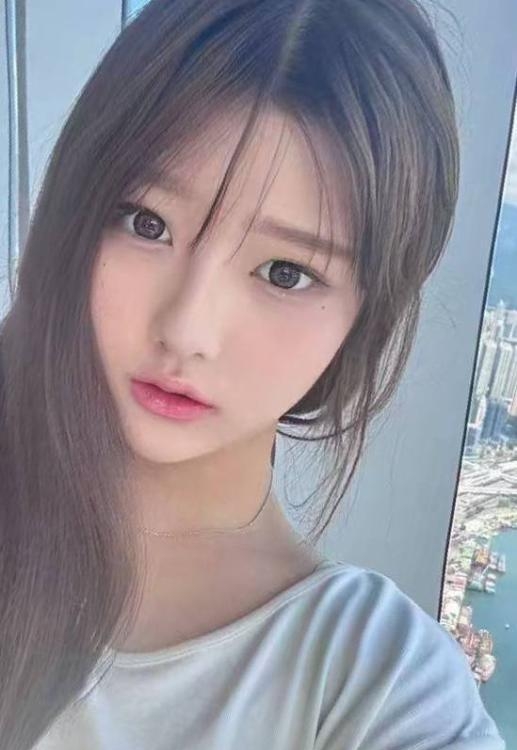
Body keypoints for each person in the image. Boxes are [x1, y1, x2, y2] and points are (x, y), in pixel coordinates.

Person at [0, 0, 506, 748]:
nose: (187, 330)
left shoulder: (371, 682)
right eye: (147, 223)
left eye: (284, 273)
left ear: (365, 314)